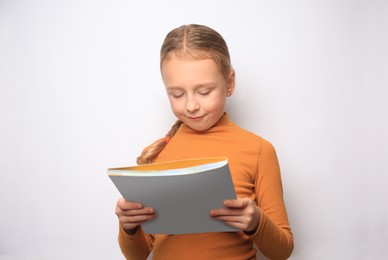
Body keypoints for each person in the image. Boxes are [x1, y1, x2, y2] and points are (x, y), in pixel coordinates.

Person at [115, 24, 294, 260]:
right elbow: (137, 255)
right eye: (177, 94)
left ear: (229, 83)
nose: (191, 105)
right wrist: (129, 227)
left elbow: (282, 251)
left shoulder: (259, 150)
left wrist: (256, 221)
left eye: (204, 91)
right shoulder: (158, 153)